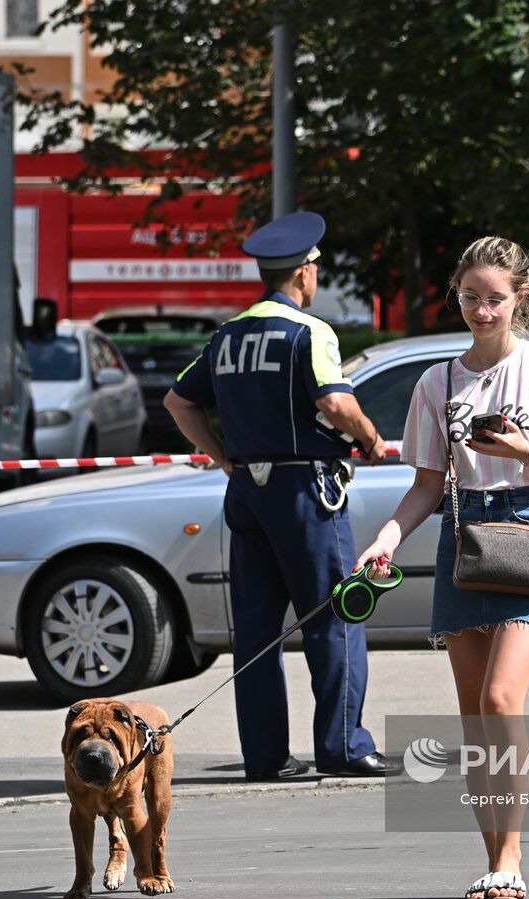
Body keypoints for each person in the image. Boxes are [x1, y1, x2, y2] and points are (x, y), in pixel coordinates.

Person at [355, 236, 529, 899]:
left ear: (519, 297)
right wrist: (385, 537)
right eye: (470, 297)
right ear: (456, 296)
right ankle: (493, 859)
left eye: (494, 298)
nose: (482, 310)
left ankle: (513, 853)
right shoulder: (437, 381)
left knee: (499, 700)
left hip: (527, 528)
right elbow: (426, 484)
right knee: (473, 719)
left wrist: (528, 450)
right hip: (462, 535)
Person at [163, 210, 402, 781]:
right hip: (303, 493)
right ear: (304, 273)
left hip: (246, 492)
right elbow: (334, 402)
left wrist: (224, 459)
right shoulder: (308, 332)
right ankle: (343, 747)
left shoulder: (228, 335)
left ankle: (266, 757)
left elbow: (178, 403)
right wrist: (369, 439)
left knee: (256, 627)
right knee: (335, 616)